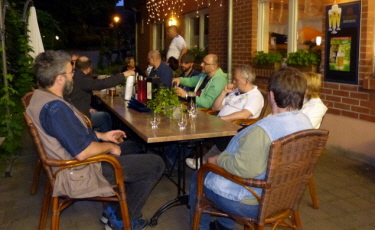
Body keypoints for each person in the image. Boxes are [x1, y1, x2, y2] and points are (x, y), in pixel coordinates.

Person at [27, 50, 165, 230]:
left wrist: (102, 136)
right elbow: (82, 152)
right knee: (155, 163)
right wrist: (108, 147)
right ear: (59, 79)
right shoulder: (55, 109)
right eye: (71, 72)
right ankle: (123, 219)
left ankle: (113, 209)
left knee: (130, 146)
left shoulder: (43, 96)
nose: (73, 76)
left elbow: (72, 135)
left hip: (73, 161)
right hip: (77, 171)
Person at [189, 67, 313, 230]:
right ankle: (223, 225)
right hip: (287, 195)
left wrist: (217, 160)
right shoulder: (306, 123)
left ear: (272, 95)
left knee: (199, 175)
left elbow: (243, 169)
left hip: (253, 201)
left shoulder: (263, 131)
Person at [185, 65, 264, 169]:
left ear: (246, 81)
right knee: (191, 123)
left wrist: (223, 119)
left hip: (235, 129)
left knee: (195, 129)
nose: (233, 82)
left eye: (236, 79)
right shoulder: (235, 91)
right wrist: (224, 92)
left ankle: (202, 160)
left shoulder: (255, 96)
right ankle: (198, 157)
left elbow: (245, 114)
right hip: (220, 123)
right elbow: (215, 107)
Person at [68, 56, 133, 132]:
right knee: (105, 116)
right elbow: (101, 84)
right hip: (80, 117)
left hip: (75, 112)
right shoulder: (82, 79)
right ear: (88, 69)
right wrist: (123, 75)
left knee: (97, 110)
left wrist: (88, 108)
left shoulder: (75, 75)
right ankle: (106, 140)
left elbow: (77, 96)